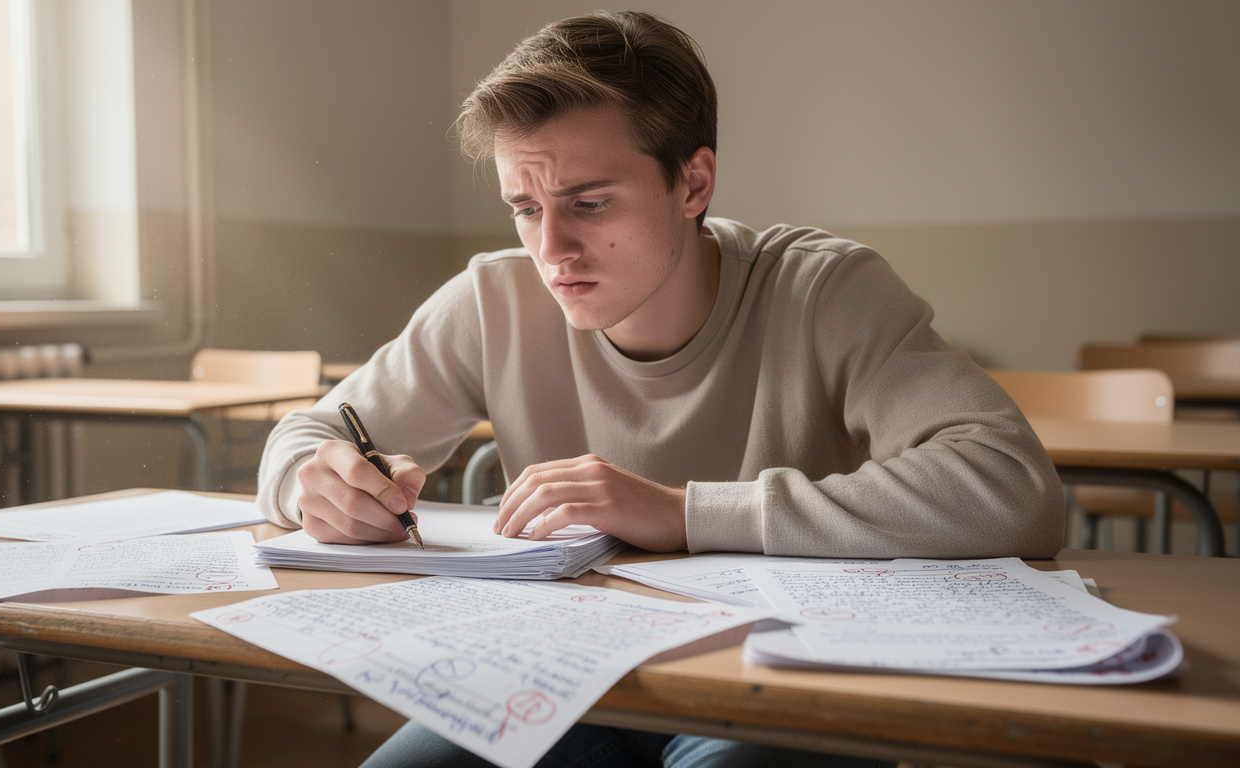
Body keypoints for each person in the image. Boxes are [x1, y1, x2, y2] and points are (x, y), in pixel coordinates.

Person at [258, 10, 1064, 768]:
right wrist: (315, 485)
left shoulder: (824, 290)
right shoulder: (492, 300)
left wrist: (683, 514)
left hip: (775, 667)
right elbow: (314, 431)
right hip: (557, 668)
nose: (552, 249)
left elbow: (1013, 486)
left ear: (693, 183)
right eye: (524, 208)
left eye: (589, 203)